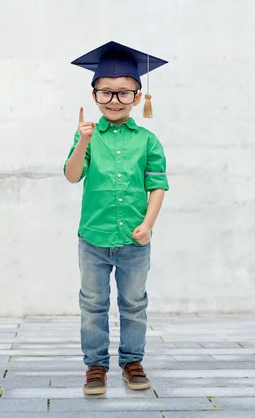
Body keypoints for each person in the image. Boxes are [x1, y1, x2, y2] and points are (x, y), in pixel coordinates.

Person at [63, 41, 169, 395]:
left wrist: (148, 224)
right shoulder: (88, 137)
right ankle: (95, 366)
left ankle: (132, 361)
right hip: (93, 237)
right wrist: (82, 141)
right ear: (94, 96)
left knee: (134, 302)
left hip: (135, 240)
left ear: (139, 97)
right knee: (93, 303)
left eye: (124, 93)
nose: (114, 100)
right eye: (106, 93)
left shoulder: (148, 140)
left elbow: (157, 186)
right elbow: (72, 175)